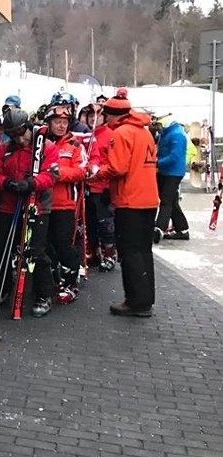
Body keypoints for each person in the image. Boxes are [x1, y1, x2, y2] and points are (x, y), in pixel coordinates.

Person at [89, 93, 158, 317]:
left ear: (112, 114)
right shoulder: (143, 131)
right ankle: (145, 299)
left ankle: (135, 302)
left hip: (130, 200)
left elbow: (117, 167)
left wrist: (98, 173)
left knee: (130, 252)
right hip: (148, 198)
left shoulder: (120, 133)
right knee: (143, 251)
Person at [0, 108, 59, 317]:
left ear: (28, 127)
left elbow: (52, 174)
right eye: (14, 135)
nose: (20, 138)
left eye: (22, 133)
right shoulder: (5, 149)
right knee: (1, 249)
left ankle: (43, 294)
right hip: (9, 206)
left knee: (35, 252)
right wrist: (6, 182)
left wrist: (31, 183)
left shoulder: (45, 147)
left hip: (36, 206)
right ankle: (2, 288)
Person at [43, 104, 85, 304]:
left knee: (63, 245)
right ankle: (52, 280)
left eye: (64, 122)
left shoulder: (75, 145)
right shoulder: (40, 142)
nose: (61, 126)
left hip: (64, 204)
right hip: (42, 203)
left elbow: (80, 171)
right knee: (45, 245)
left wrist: (56, 173)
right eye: (57, 122)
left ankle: (70, 281)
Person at [78, 103, 116, 271]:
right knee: (89, 222)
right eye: (90, 116)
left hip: (102, 187)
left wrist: (108, 184)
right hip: (86, 186)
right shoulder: (85, 135)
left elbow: (114, 162)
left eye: (97, 116)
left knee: (105, 223)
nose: (94, 119)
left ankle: (109, 254)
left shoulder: (110, 135)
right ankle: (93, 252)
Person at [153, 113, 189, 241]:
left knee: (166, 200)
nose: (158, 128)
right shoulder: (167, 133)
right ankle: (183, 229)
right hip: (165, 171)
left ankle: (159, 228)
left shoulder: (177, 135)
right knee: (172, 201)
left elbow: (174, 157)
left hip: (173, 173)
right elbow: (156, 141)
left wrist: (156, 163)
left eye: (158, 125)